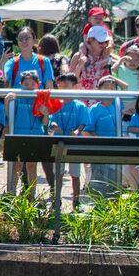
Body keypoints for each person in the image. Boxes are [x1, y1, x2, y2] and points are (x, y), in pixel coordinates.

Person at [45, 72, 89, 207]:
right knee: (57, 173)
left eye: (67, 86)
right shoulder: (56, 103)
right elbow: (51, 121)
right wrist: (54, 126)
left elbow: (83, 123)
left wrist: (77, 131)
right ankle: (56, 199)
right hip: (59, 142)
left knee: (75, 174)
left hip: (74, 144)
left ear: (75, 87)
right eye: (61, 86)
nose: (63, 89)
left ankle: (76, 201)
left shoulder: (80, 105)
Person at [7, 70, 50, 193]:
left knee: (31, 166)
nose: (30, 87)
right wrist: (7, 101)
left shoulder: (41, 98)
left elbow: (45, 122)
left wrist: (45, 113)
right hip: (18, 134)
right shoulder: (17, 97)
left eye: (33, 84)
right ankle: (11, 193)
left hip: (35, 135)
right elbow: (8, 115)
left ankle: (31, 195)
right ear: (21, 84)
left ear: (38, 84)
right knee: (17, 166)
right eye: (26, 84)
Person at [84, 76, 124, 194]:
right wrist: (99, 141)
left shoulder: (117, 105)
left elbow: (125, 88)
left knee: (114, 174)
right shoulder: (94, 109)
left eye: (113, 88)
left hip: (115, 146)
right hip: (101, 147)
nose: (110, 90)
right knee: (98, 174)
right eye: (106, 87)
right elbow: (87, 130)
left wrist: (113, 78)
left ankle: (114, 198)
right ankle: (98, 200)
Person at [69, 26, 118, 93]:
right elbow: (70, 81)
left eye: (106, 42)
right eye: (100, 42)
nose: (104, 44)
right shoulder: (78, 56)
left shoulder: (109, 57)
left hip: (103, 100)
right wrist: (80, 66)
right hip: (82, 99)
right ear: (90, 40)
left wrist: (110, 61)